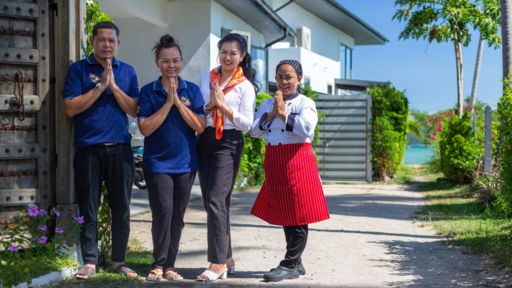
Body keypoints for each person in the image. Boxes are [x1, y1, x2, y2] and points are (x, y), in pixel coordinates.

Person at [63, 21, 139, 279]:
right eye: (102, 39)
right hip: (89, 149)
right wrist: (99, 86)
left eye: (111, 40)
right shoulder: (79, 70)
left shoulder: (127, 71)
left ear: (118, 43)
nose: (107, 44)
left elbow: (134, 109)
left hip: (120, 150)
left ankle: (119, 261)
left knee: (122, 208)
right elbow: (71, 108)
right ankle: (90, 261)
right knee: (89, 206)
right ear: (92, 41)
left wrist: (113, 86)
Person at [249, 59, 330, 282]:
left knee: (299, 211)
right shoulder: (267, 104)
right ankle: (297, 262)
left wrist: (284, 114)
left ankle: (290, 263)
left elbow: (306, 129)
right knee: (286, 211)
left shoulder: (306, 103)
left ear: (299, 79)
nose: (283, 82)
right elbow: (254, 131)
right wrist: (272, 113)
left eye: (289, 77)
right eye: (279, 77)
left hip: (297, 160)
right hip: (274, 160)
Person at [137, 34, 206, 282]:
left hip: (186, 164)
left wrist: (179, 102)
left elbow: (200, 125)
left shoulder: (193, 90)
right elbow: (145, 128)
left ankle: (170, 266)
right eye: (166, 61)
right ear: (158, 63)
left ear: (181, 61)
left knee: (177, 215)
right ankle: (158, 263)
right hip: (157, 164)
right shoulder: (148, 92)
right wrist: (168, 103)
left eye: (175, 60)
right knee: (163, 211)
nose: (171, 65)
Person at [196, 33, 258, 281]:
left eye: (233, 53)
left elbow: (247, 124)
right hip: (205, 140)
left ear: (241, 56)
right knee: (216, 203)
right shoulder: (207, 78)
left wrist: (224, 107)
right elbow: (199, 111)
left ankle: (217, 262)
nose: (228, 57)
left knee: (215, 199)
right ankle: (227, 257)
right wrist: (212, 105)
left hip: (230, 142)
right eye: (224, 52)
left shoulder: (245, 86)